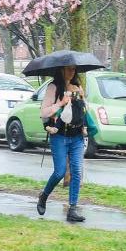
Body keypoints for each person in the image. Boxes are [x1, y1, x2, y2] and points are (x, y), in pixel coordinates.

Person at [36, 65, 87, 222]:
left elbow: (84, 110)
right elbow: (43, 112)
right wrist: (61, 103)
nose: (71, 72)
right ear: (61, 70)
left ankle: (72, 209)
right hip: (59, 136)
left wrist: (82, 98)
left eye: (74, 69)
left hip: (77, 136)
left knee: (76, 172)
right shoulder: (53, 87)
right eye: (68, 69)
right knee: (59, 172)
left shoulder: (77, 86)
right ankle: (44, 196)